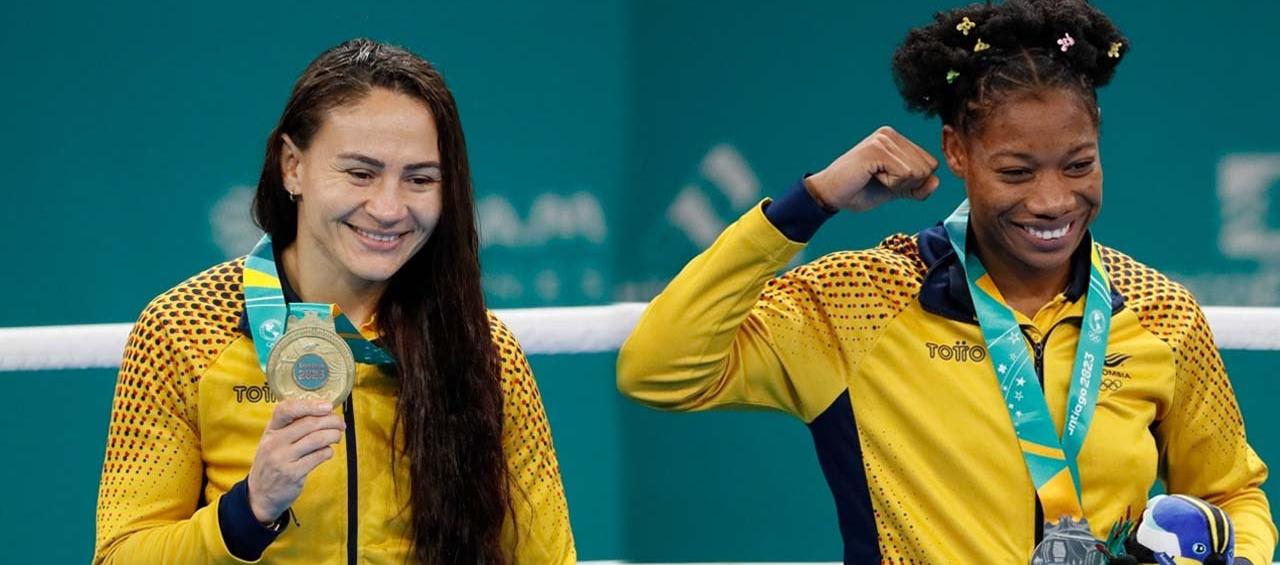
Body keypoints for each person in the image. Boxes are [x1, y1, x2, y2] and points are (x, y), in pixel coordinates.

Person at [616, 1, 1275, 563]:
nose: (1053, 200)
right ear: (957, 150)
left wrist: (1238, 552)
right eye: (1017, 171)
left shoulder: (1159, 310)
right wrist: (809, 201)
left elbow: (1232, 492)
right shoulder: (858, 300)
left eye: (1078, 165)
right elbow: (660, 368)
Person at [93, 38, 574, 563]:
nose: (389, 208)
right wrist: (248, 511)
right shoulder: (184, 329)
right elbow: (119, 555)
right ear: (292, 166)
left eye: (419, 179)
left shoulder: (484, 350)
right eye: (360, 173)